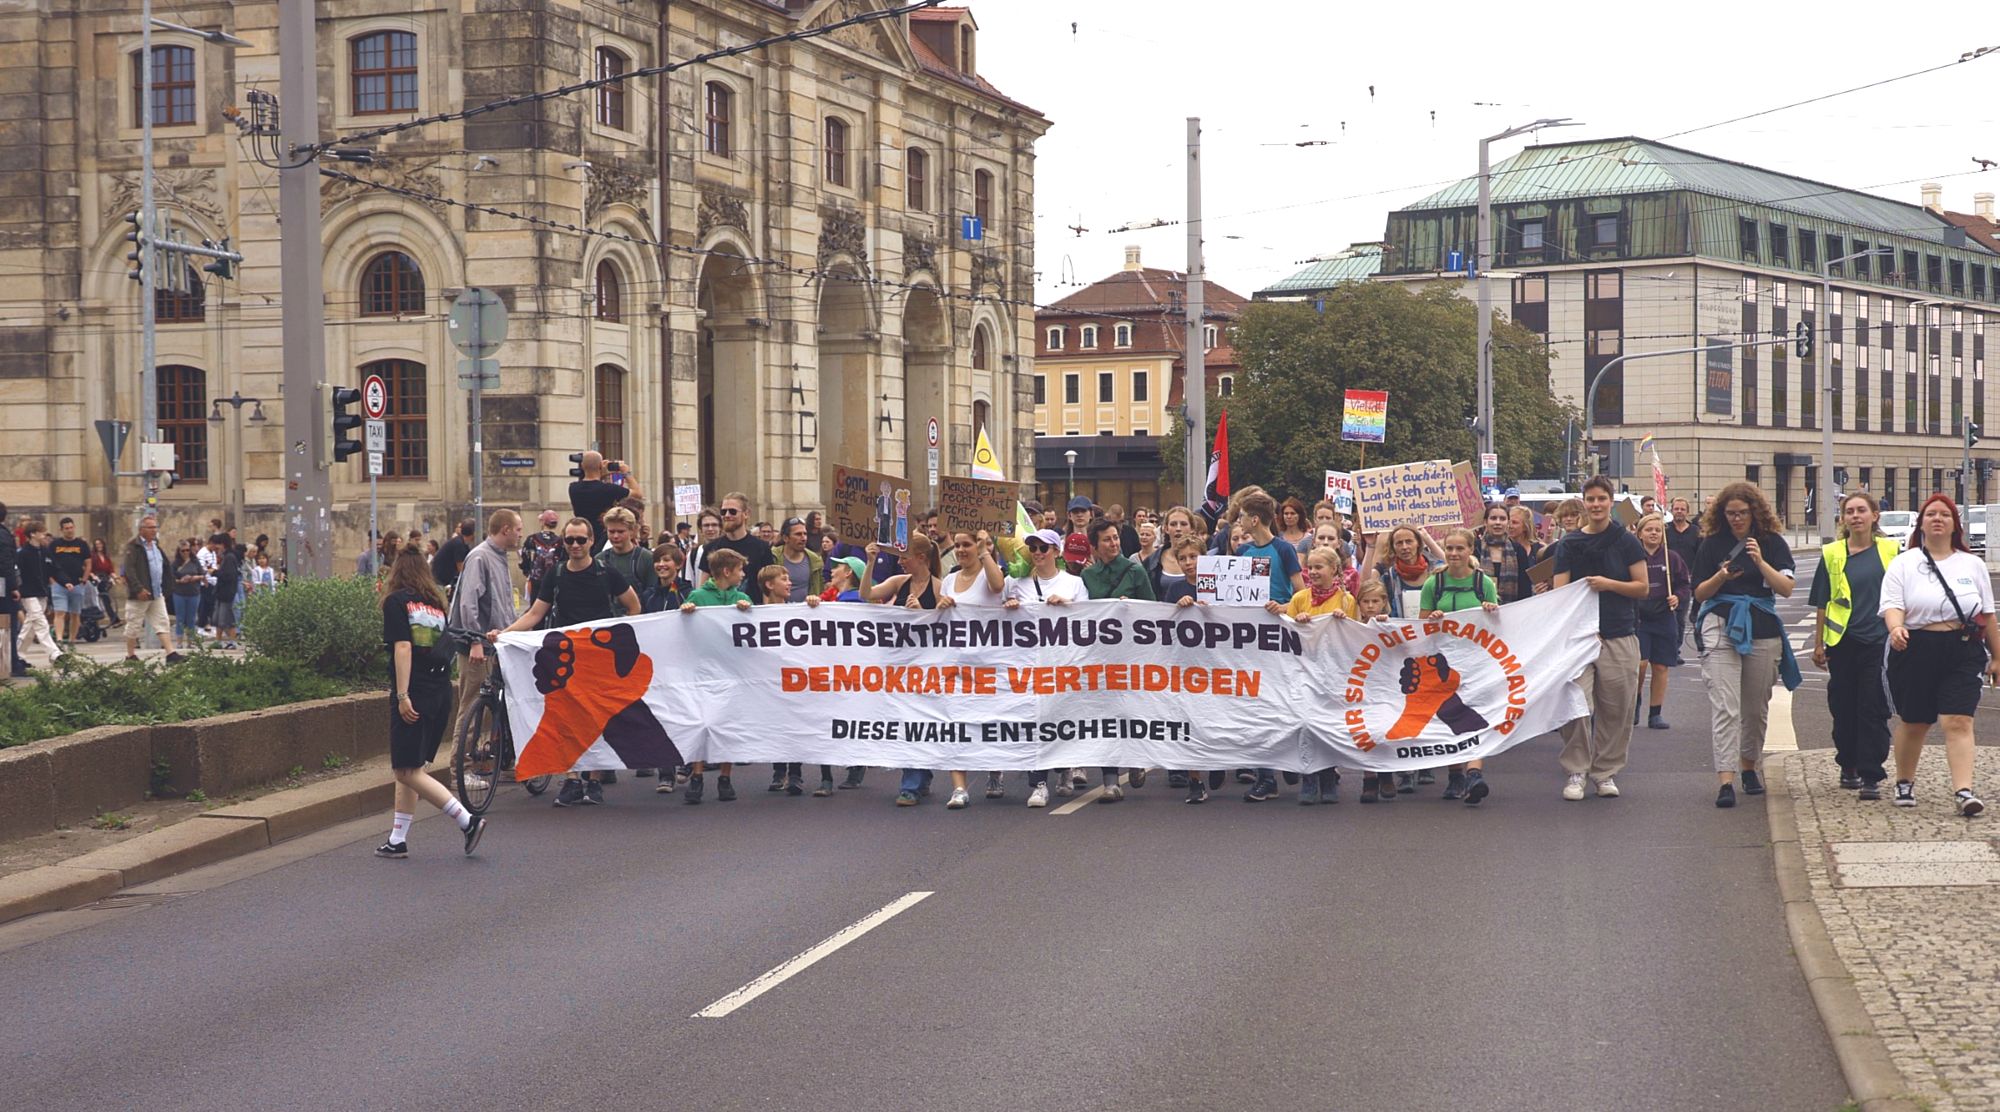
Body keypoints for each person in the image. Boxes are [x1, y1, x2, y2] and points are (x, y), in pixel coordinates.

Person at [492, 516, 643, 807]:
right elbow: (535, 614)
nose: (575, 545)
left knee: (596, 717)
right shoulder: (556, 574)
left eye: (581, 540)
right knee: (563, 718)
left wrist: (624, 636)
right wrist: (505, 634)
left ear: (590, 542)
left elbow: (634, 606)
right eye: (569, 540)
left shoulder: (606, 573)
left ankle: (595, 781)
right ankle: (572, 780)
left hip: (598, 658)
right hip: (563, 656)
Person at [1879, 493, 1996, 817]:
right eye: (1931, 514)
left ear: (1954, 524)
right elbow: (1892, 605)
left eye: (1945, 515)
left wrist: (1997, 657)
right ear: (1922, 523)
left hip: (1962, 648)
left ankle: (1964, 791)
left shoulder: (1971, 564)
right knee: (1915, 721)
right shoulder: (1905, 562)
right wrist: (1896, 628)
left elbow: (1987, 614)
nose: (1938, 519)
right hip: (1916, 647)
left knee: (1957, 719)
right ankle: (1904, 781)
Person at [377, 540, 487, 859]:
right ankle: (398, 838)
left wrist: (402, 694)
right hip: (440, 691)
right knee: (410, 766)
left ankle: (467, 821)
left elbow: (403, 648)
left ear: (396, 572)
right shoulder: (436, 605)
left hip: (416, 691)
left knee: (407, 771)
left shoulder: (397, 602)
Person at [1693, 481, 1800, 809]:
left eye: (1742, 513)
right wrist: (1721, 577)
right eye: (1730, 514)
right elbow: (1699, 593)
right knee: (1727, 705)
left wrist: (1760, 560)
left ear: (1755, 513)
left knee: (1754, 709)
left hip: (1761, 626)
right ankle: (1725, 780)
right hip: (1719, 624)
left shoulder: (1772, 543)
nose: (1736, 519)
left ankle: (1749, 766)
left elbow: (1786, 588)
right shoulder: (1711, 545)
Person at [1553, 476, 1652, 802]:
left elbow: (1642, 587)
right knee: (1576, 706)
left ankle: (1605, 771)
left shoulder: (1626, 541)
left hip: (1619, 633)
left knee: (1617, 708)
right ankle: (1577, 770)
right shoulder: (1569, 544)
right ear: (1584, 503)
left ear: (1611, 501)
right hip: (1579, 638)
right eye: (1590, 499)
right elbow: (1560, 592)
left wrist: (1609, 584)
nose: (1596, 504)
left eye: (1601, 499)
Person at [1808, 492, 1898, 800]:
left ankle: (1872, 774)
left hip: (1879, 641)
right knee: (1843, 707)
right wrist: (1818, 643)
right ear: (1843, 519)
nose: (1856, 516)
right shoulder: (1832, 553)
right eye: (1850, 511)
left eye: (1862, 510)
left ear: (1875, 515)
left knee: (1872, 707)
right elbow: (1822, 601)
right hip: (1842, 643)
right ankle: (1848, 764)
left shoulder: (1891, 550)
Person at [1417, 528, 1501, 804]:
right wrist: (1434, 617)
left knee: (1476, 712)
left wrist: (1491, 610)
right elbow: (1421, 623)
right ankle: (1455, 774)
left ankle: (1474, 773)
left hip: (1476, 659)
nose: (1454, 554)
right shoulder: (1434, 583)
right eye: (1449, 549)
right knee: (1450, 715)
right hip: (1444, 660)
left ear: (1470, 551)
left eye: (1459, 549)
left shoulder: (1483, 582)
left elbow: (1499, 623)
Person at [1005, 529, 1086, 807]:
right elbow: (995, 613)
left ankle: (1064, 769)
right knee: (1034, 721)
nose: (1038, 553)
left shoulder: (1073, 583)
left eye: (1044, 548)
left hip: (1062, 664)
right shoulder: (1016, 583)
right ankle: (1038, 784)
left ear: (1056, 552)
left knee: (1059, 720)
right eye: (1033, 548)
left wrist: (1067, 605)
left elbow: (1089, 619)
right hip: (1028, 665)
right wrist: (1010, 605)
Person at [1271, 546, 1356, 804]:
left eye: (1320, 567)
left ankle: (1328, 776)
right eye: (1311, 567)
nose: (1314, 572)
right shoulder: (1300, 599)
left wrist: (1342, 621)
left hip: (1332, 673)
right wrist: (1298, 620)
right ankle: (1309, 776)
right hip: (1304, 670)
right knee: (1306, 724)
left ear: (1334, 570)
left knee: (1327, 724)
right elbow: (1287, 633)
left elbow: (1354, 637)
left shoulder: (1346, 601)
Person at [1078, 517, 1156, 801]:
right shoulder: (1087, 577)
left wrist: (1131, 609)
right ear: (1095, 546)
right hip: (1101, 657)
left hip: (1131, 656)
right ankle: (1110, 780)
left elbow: (1151, 610)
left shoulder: (1135, 571)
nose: (1113, 544)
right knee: (1105, 717)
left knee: (1131, 711)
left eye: (1115, 538)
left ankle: (1136, 756)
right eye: (1107, 540)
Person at [676, 548, 754, 804]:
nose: (743, 575)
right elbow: (682, 629)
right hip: (704, 669)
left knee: (728, 724)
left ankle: (725, 777)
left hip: (732, 670)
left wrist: (747, 611)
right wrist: (686, 611)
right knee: (702, 723)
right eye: (740, 570)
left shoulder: (741, 597)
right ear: (727, 571)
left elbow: (755, 627)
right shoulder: (698, 596)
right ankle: (697, 776)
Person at [447, 509, 523, 761]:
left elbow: (501, 605)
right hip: (478, 647)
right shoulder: (480, 557)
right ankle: (459, 765)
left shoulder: (498, 557)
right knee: (470, 705)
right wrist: (475, 641)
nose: (521, 534)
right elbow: (468, 604)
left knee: (487, 704)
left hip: (496, 644)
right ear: (506, 530)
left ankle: (484, 757)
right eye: (518, 529)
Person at [940, 530, 1008, 803]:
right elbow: (937, 619)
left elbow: (997, 586)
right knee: (956, 723)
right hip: (957, 665)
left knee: (990, 723)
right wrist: (942, 605)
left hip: (990, 665)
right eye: (957, 545)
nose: (960, 550)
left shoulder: (989, 572)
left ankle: (994, 772)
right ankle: (959, 788)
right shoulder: (948, 580)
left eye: (966, 544)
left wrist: (984, 551)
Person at [1633, 513, 1691, 730]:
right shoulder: (1633, 557)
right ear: (1640, 533)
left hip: (1664, 616)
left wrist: (1678, 596)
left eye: (1658, 530)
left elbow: (1685, 584)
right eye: (1649, 530)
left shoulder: (1672, 557)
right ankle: (1635, 703)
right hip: (1639, 618)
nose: (1654, 533)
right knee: (1638, 665)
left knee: (1660, 666)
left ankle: (1655, 713)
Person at [1351, 580, 1400, 803]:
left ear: (1384, 603)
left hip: (1386, 686)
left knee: (1385, 730)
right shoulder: (1350, 627)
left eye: (1375, 601)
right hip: (1362, 687)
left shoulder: (1390, 624)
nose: (1370, 606)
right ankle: (1369, 778)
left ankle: (1386, 774)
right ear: (1359, 604)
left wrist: (1387, 624)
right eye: (1366, 602)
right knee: (1365, 732)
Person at [120, 514, 176, 662]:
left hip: (156, 593)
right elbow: (129, 570)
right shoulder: (134, 547)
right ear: (141, 529)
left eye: (155, 527)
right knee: (134, 625)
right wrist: (138, 588)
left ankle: (171, 653)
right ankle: (130, 655)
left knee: (162, 622)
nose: (154, 530)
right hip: (140, 594)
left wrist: (168, 585)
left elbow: (164, 566)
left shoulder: (156, 546)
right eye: (150, 527)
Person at [702, 491, 776, 588]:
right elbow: (703, 586)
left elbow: (768, 586)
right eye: (723, 511)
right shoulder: (711, 548)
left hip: (753, 602)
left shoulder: (762, 547)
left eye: (733, 511)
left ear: (746, 514)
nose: (727, 515)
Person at [13, 521, 62, 665]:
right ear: (32, 534)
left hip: (42, 591)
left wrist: (65, 582)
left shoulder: (45, 551)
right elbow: (17, 572)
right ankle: (55, 653)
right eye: (41, 532)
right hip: (28, 593)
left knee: (30, 625)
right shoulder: (23, 553)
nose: (45, 534)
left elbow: (54, 568)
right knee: (41, 622)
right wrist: (17, 588)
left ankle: (17, 654)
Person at [570, 450, 642, 548]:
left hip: (583, 535)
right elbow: (637, 494)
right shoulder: (609, 489)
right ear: (600, 466)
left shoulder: (573, 488)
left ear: (582, 466)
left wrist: (601, 474)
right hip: (602, 537)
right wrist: (626, 473)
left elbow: (591, 485)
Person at [596, 507, 658, 609]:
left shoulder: (646, 558)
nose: (615, 536)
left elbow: (654, 595)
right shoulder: (599, 560)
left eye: (620, 532)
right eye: (611, 531)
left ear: (632, 531)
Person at [1476, 504, 1536, 604]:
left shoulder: (1518, 550)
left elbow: (1525, 590)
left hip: (1510, 611)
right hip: (1479, 611)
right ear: (1485, 522)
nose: (1498, 522)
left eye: (1502, 519)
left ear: (1508, 522)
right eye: (1493, 518)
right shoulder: (1475, 547)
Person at [1664, 496, 1703, 650]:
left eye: (1682, 509)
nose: (1679, 512)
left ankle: (1676, 647)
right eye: (1676, 509)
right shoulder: (1664, 530)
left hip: (1686, 581)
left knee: (1680, 617)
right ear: (1671, 510)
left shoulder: (1696, 532)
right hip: (1667, 578)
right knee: (1668, 615)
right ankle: (1669, 646)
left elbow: (1701, 555)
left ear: (1687, 512)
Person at [48, 518, 89, 645]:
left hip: (77, 583)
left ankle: (72, 639)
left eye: (71, 527)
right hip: (59, 584)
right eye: (66, 528)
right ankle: (59, 639)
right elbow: (49, 564)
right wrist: (52, 580)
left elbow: (88, 563)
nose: (69, 530)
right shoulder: (55, 545)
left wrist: (85, 579)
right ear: (61, 530)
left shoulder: (81, 544)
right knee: (60, 612)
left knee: (75, 613)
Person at [772, 516, 824, 603]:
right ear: (785, 538)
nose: (803, 538)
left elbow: (820, 590)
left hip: (807, 613)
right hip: (779, 612)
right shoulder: (773, 557)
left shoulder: (815, 561)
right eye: (798, 534)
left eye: (805, 534)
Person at [208, 533, 243, 650]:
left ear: (223, 545)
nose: (216, 550)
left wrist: (215, 572)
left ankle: (232, 641)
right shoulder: (226, 557)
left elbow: (229, 576)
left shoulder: (229, 558)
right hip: (221, 592)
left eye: (217, 547)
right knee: (218, 619)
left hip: (227, 592)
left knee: (228, 619)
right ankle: (218, 640)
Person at [519, 510, 564, 601]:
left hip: (536, 580)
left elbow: (524, 557)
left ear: (542, 522)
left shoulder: (532, 539)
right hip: (554, 580)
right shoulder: (560, 541)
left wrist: (527, 571)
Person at [170, 541, 204, 650]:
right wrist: (180, 580)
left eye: (187, 550)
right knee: (180, 617)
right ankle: (179, 642)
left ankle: (191, 641)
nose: (185, 552)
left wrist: (195, 578)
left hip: (194, 592)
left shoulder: (195, 562)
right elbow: (171, 578)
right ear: (179, 552)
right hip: (179, 593)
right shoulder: (175, 564)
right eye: (183, 551)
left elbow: (202, 574)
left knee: (192, 618)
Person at [431, 519, 476, 593]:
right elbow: (461, 569)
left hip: (441, 580)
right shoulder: (459, 545)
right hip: (439, 582)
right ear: (473, 533)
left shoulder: (460, 542)